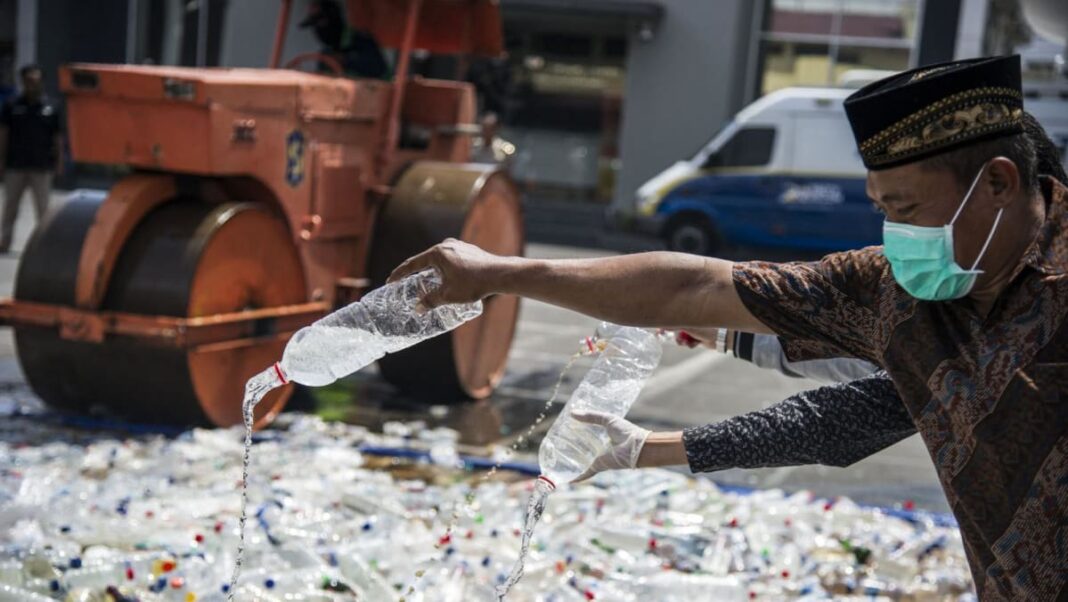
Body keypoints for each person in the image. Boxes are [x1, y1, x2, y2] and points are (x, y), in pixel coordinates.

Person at [389, 56, 1068, 600]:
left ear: (1000, 182)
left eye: (909, 209)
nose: (895, 238)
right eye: (881, 210)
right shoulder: (901, 292)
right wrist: (501, 273)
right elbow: (702, 290)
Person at [0, 64, 63, 254]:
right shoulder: (12, 105)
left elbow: (58, 138)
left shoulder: (51, 107)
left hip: (42, 166)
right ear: (23, 82)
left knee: (43, 210)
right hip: (15, 165)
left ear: (41, 82)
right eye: (28, 80)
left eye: (35, 80)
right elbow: (3, 135)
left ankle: (43, 245)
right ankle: (5, 241)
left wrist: (59, 162)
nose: (32, 84)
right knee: (10, 207)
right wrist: (1, 161)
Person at [299, 0, 388, 79]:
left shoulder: (362, 41)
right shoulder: (326, 53)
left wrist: (345, 60)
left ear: (333, 19)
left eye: (321, 23)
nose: (317, 29)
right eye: (314, 25)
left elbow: (379, 70)